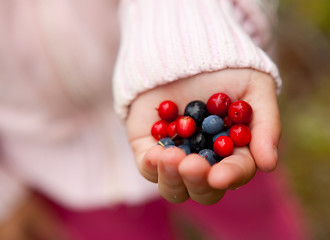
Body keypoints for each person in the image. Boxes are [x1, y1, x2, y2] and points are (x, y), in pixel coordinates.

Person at [0, 0, 308, 239]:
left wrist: (195, 38)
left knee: (256, 224)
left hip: (160, 76)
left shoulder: (202, 127)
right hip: (54, 169)